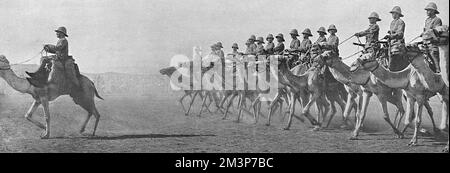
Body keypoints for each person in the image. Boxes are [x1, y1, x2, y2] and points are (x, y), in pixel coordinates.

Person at [384, 6, 407, 71]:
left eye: (393, 13)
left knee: (395, 63)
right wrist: (389, 36)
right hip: (391, 45)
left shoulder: (400, 22)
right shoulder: (392, 23)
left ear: (397, 14)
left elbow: (400, 34)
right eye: (392, 13)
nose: (392, 15)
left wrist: (391, 36)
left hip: (398, 46)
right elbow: (392, 33)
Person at [423, 2, 443, 72]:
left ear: (434, 11)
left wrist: (429, 31)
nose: (427, 12)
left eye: (429, 10)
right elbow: (425, 30)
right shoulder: (427, 20)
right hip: (425, 43)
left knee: (435, 61)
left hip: (433, 44)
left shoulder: (437, 20)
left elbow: (437, 31)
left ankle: (439, 75)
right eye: (427, 10)